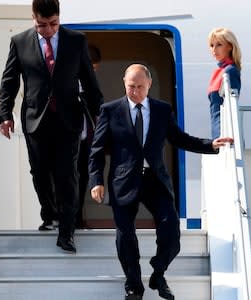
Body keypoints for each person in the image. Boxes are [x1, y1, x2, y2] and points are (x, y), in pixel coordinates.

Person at [89, 64, 233, 300]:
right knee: (125, 236)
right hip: (123, 181)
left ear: (149, 85)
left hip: (155, 180)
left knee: (171, 234)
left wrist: (210, 145)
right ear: (124, 83)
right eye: (130, 86)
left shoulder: (161, 110)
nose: (134, 91)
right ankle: (134, 286)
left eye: (139, 87)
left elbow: (179, 138)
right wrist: (96, 180)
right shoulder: (110, 110)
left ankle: (158, 272)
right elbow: (96, 150)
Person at [0, 0, 103, 253]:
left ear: (59, 18)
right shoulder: (19, 42)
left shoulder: (76, 41)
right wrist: (5, 114)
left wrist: (100, 116)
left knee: (67, 175)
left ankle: (67, 232)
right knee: (40, 173)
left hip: (68, 119)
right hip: (36, 119)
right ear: (33, 18)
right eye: (42, 25)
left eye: (53, 24)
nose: (48, 30)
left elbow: (89, 82)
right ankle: (50, 215)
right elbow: (10, 81)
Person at [76, 44, 102, 229]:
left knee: (82, 180)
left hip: (85, 142)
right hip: (70, 141)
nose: (93, 73)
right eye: (92, 69)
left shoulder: (91, 87)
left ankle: (77, 220)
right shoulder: (71, 83)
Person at [207, 27, 242, 138]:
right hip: (218, 131)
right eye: (212, 45)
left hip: (225, 133)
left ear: (230, 47)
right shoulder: (219, 72)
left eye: (219, 45)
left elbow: (230, 106)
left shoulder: (230, 71)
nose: (214, 49)